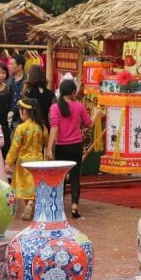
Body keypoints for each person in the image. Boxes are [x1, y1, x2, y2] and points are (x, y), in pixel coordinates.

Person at [46, 79, 101, 220]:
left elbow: (54, 128)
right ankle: (75, 206)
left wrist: (49, 149)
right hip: (76, 145)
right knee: (75, 177)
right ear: (72, 92)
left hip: (61, 146)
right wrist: (96, 114)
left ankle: (59, 207)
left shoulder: (54, 108)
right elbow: (88, 124)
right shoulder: (78, 106)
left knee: (61, 177)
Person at [5, 98, 48, 220]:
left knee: (24, 186)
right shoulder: (42, 127)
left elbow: (15, 147)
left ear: (26, 112)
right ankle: (31, 203)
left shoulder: (21, 128)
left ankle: (26, 206)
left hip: (23, 162)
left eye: (21, 110)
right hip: (38, 160)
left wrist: (8, 162)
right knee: (35, 184)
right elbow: (46, 142)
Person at [23, 65, 55, 129]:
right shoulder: (51, 94)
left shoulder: (27, 92)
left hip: (30, 128)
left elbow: (24, 111)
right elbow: (52, 114)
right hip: (45, 127)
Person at [8, 53, 27, 127]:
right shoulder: (8, 80)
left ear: (19, 66)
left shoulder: (28, 80)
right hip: (9, 114)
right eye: (10, 63)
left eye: (12, 64)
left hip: (22, 115)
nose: (9, 66)